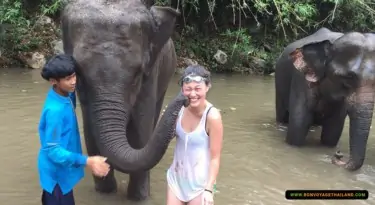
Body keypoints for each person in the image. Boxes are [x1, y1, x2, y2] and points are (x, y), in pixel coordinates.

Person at [37, 54, 110, 205]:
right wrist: (87, 161)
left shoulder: (67, 95)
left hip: (62, 169)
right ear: (53, 81)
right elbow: (53, 150)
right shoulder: (55, 111)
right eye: (67, 79)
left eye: (74, 75)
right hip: (56, 174)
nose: (73, 81)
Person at [166, 65, 224, 205]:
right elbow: (162, 140)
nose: (193, 94)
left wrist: (209, 189)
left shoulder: (212, 117)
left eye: (198, 89)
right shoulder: (177, 110)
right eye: (188, 89)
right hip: (176, 180)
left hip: (200, 186)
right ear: (182, 90)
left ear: (207, 87)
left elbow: (215, 158)